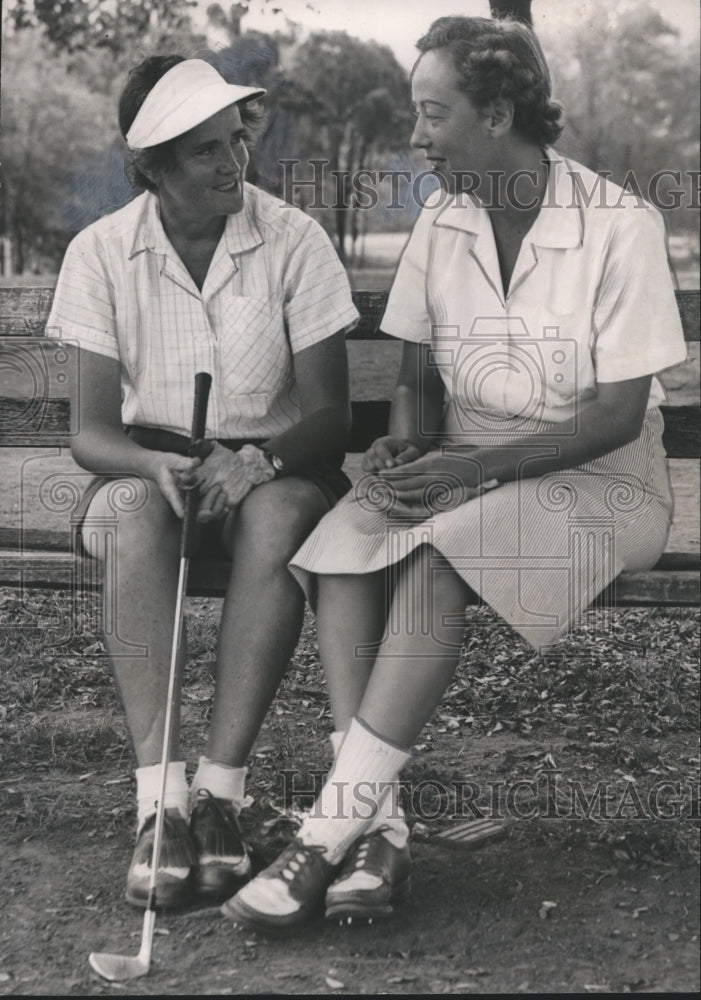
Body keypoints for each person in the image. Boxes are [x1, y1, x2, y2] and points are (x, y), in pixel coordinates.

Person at [223, 15, 687, 933]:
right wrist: (406, 444)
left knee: (436, 561)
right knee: (341, 545)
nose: (416, 135)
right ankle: (378, 831)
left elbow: (612, 418)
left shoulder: (619, 224)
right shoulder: (443, 217)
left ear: (499, 113)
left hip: (603, 482)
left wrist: (457, 473)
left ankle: (325, 833)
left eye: (432, 113)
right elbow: (413, 375)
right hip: (464, 470)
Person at [45, 55, 358, 910]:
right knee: (132, 516)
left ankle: (221, 794)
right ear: (151, 167)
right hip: (157, 466)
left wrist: (255, 459)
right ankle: (161, 805)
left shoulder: (293, 238)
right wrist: (155, 464)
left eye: (236, 141)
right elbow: (91, 434)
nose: (234, 164)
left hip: (277, 466)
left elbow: (333, 418)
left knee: (279, 518)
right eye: (204, 153)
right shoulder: (103, 251)